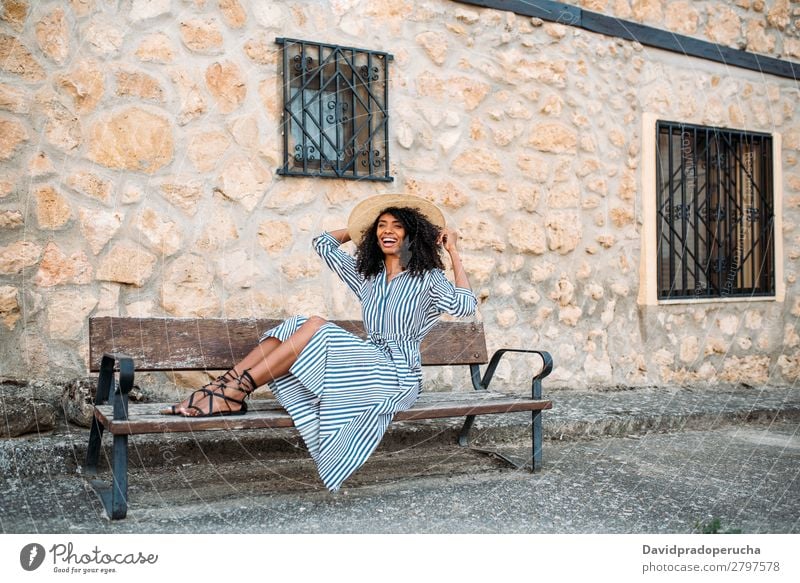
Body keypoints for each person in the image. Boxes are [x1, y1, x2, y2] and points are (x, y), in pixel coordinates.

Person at [161, 193, 477, 492]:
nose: (388, 231)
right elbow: (324, 244)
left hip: (397, 374)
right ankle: (226, 388)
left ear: (413, 235)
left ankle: (234, 391)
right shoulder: (368, 276)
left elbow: (465, 306)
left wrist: (453, 251)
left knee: (316, 325)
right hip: (368, 360)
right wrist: (360, 229)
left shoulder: (427, 278)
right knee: (299, 323)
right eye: (382, 225)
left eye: (397, 226)